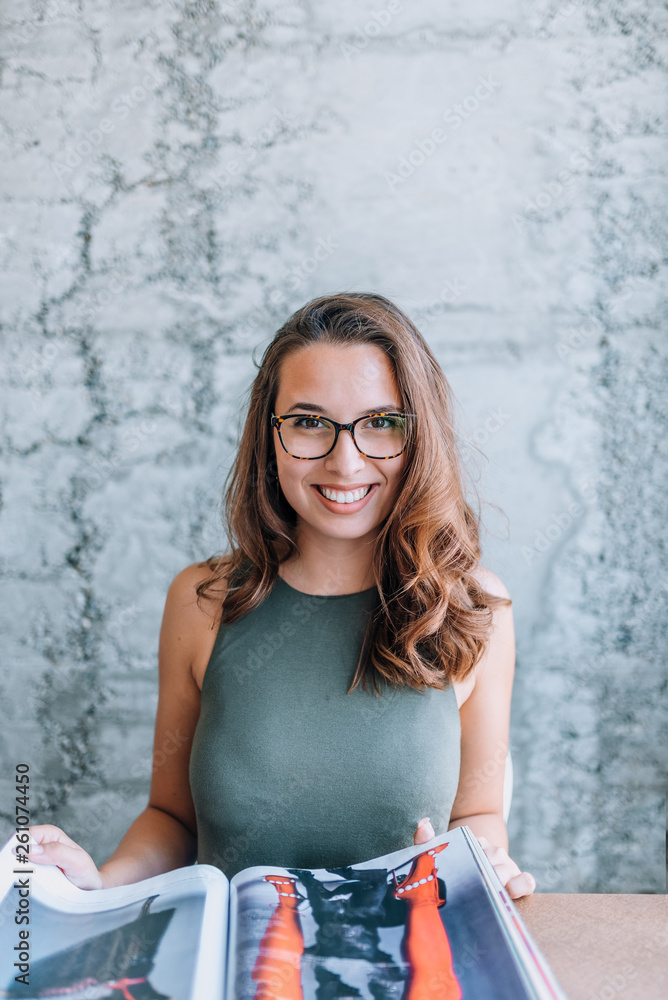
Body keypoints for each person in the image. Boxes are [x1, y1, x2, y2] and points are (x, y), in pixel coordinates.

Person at [24, 292, 536, 900]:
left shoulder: (473, 608)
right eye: (310, 422)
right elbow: (173, 820)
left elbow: (479, 817)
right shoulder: (201, 602)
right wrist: (97, 883)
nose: (346, 462)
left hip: (406, 971)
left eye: (381, 423)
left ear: (417, 435)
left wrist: (484, 865)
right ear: (269, 434)